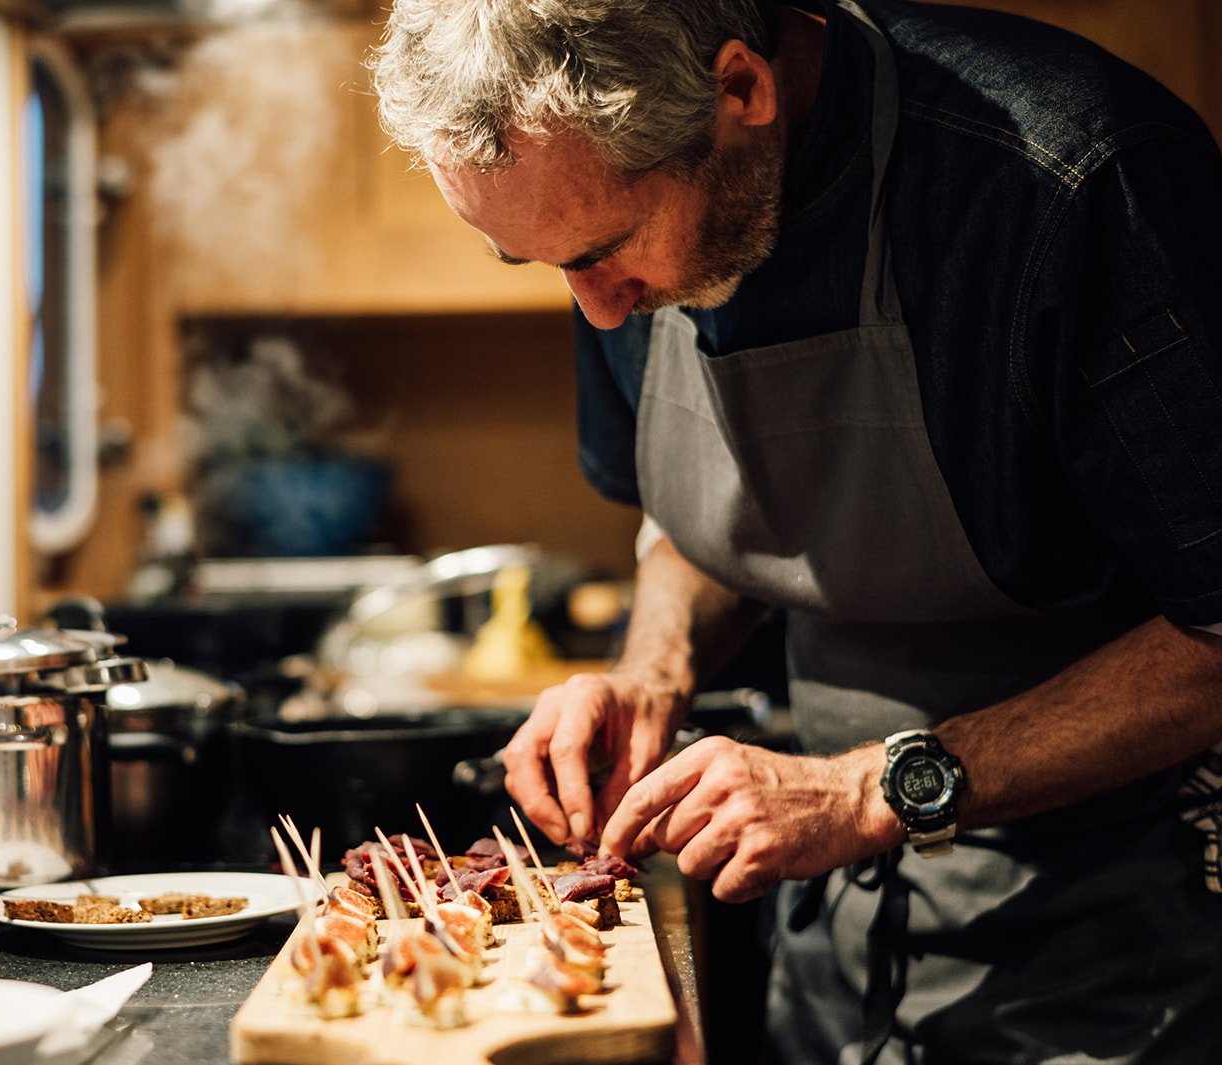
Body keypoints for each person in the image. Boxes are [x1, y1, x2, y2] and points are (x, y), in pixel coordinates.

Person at [372, 0, 1222, 1060]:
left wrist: (870, 789)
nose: (594, 311)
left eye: (604, 252)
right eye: (543, 267)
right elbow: (709, 511)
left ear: (740, 92)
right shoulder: (597, 213)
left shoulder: (1073, 183)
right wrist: (652, 670)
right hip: (829, 938)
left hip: (1119, 943)